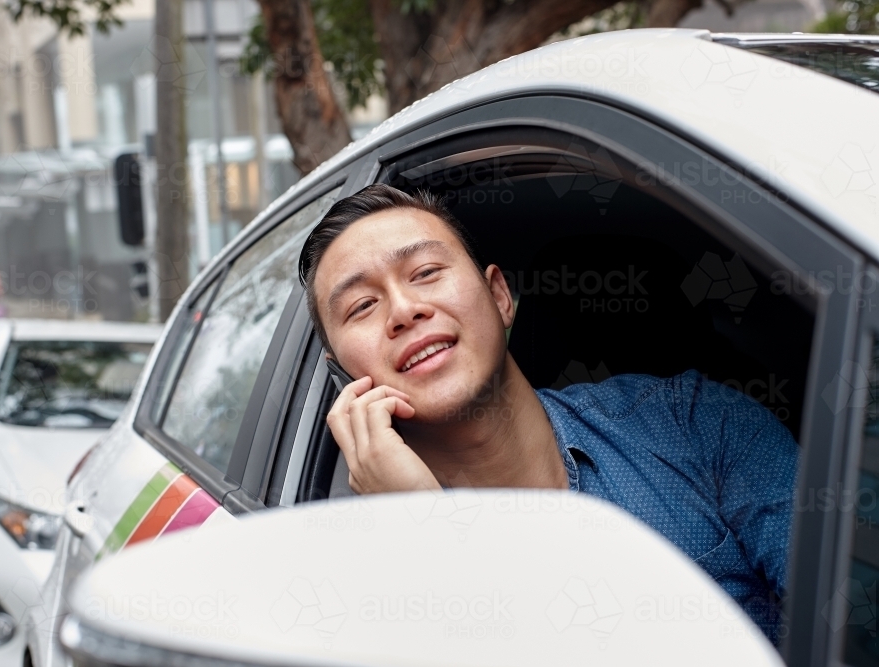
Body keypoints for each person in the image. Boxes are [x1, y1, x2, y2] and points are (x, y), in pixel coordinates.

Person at [297, 184, 798, 643]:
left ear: (500, 297)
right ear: (342, 375)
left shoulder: (687, 421)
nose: (404, 310)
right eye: (362, 305)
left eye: (426, 273)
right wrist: (427, 534)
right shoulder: (355, 589)